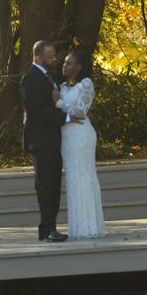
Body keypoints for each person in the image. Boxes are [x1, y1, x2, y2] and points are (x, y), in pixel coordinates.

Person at [20, 40, 81, 242]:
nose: (55, 59)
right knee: (46, 185)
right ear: (38, 57)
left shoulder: (48, 77)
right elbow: (38, 110)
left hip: (53, 140)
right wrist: (66, 118)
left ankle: (50, 227)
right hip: (40, 141)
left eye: (54, 56)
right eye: (51, 56)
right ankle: (47, 230)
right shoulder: (30, 79)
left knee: (54, 185)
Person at [54, 50, 106, 239]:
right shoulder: (61, 87)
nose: (64, 66)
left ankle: (90, 227)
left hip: (82, 135)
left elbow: (81, 111)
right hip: (67, 137)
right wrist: (61, 106)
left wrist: (59, 103)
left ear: (79, 67)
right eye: (65, 62)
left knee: (84, 177)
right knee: (73, 179)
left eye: (69, 63)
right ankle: (78, 227)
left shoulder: (86, 84)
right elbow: (66, 114)